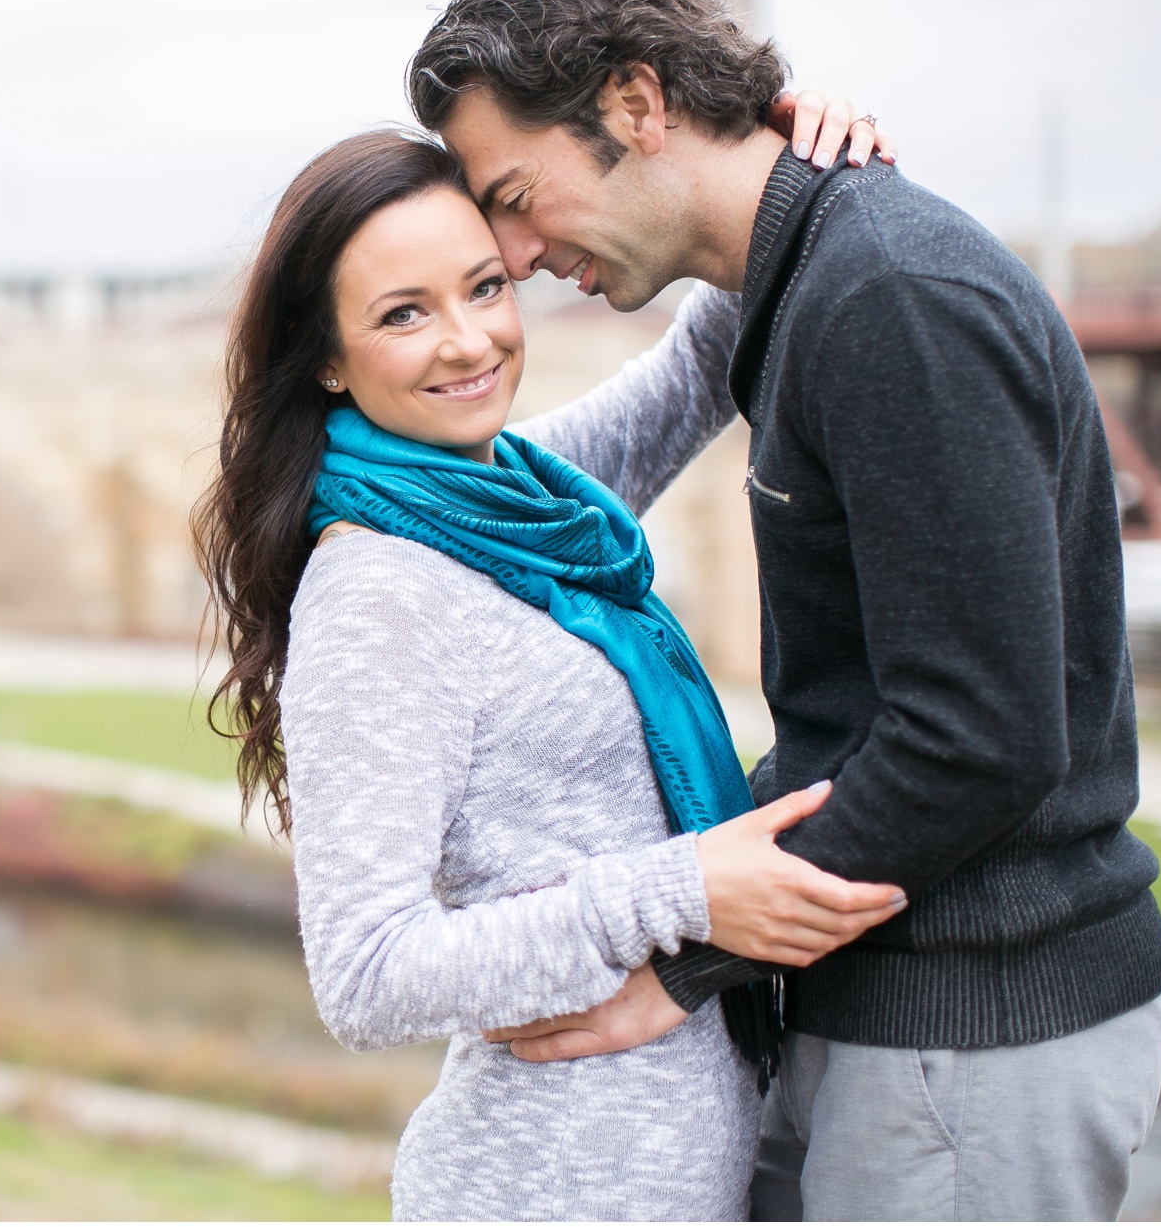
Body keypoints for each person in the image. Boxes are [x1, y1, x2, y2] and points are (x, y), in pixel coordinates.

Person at [408, 0, 1161, 1222]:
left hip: (970, 1027)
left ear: (638, 103)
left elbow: (979, 737)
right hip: (897, 1001)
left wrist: (682, 959)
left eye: (519, 202)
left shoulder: (888, 297)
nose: (519, 260)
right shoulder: (806, 279)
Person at [192, 95, 904, 1219]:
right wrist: (682, 891)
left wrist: (774, 144)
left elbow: (701, 354)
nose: (470, 339)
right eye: (402, 314)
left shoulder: (513, 500)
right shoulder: (380, 589)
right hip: (543, 1186)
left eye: (484, 286)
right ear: (326, 359)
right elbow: (367, 974)